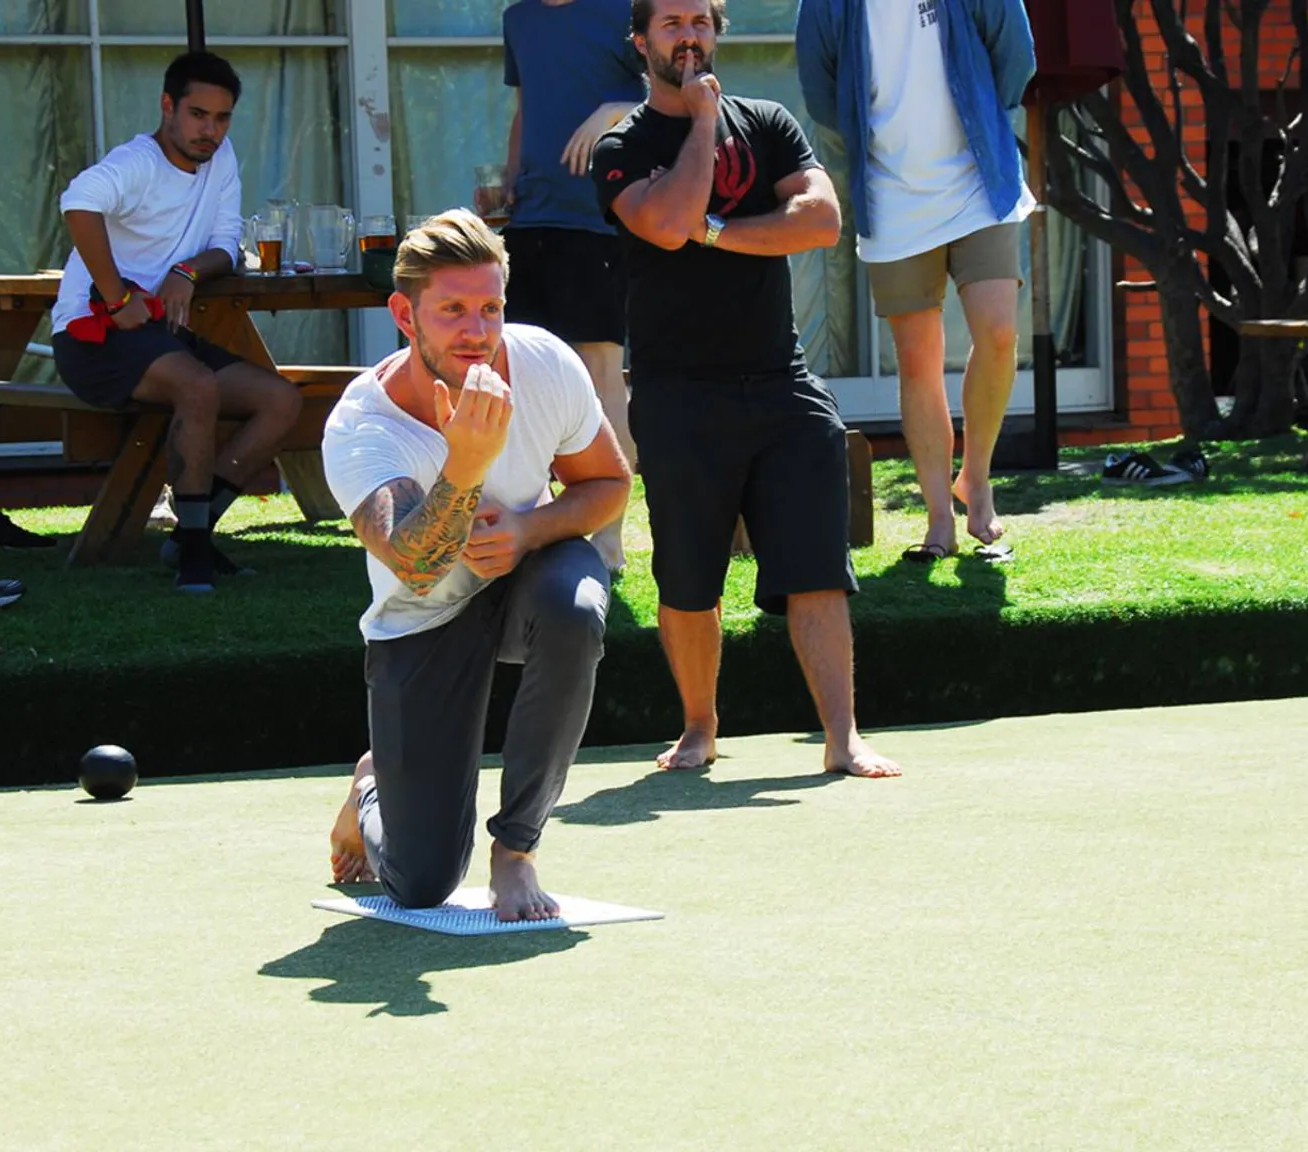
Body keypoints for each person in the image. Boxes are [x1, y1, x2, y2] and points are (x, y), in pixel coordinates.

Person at [591, 0, 900, 778]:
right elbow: (664, 223)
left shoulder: (767, 121)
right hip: (677, 392)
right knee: (689, 578)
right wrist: (701, 124)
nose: (689, 36)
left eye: (700, 21)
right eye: (672, 24)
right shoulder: (623, 145)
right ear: (642, 42)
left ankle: (843, 738)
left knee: (818, 568)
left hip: (781, 382)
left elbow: (821, 220)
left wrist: (720, 231)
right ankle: (700, 727)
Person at [322, 210, 632, 921]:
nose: (477, 331)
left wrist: (527, 529)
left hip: (527, 578)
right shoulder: (361, 426)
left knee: (575, 608)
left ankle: (516, 852)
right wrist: (465, 464)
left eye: (490, 308)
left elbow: (609, 485)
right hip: (420, 618)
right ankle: (372, 790)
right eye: (453, 310)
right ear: (405, 314)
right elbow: (416, 565)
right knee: (421, 881)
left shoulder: (546, 363)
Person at [49, 51, 303, 592]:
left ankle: (191, 532)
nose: (210, 130)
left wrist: (188, 270)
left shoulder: (223, 157)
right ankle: (193, 556)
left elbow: (225, 245)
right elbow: (77, 203)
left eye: (222, 117)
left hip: (160, 334)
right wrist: (117, 301)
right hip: (90, 336)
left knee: (283, 401)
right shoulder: (136, 162)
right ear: (167, 107)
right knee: (198, 386)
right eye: (198, 114)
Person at [796, 0, 1035, 562]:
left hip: (983, 179)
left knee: (999, 332)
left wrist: (981, 116)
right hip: (892, 194)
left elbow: (1016, 57)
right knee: (918, 360)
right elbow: (820, 91)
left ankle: (975, 481)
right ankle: (938, 522)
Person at [484, 0, 645, 574]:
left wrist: (614, 111)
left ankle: (608, 540)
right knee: (518, 371)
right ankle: (530, 527)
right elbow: (526, 108)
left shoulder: (623, 11)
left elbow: (678, 100)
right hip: (531, 221)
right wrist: (508, 180)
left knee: (601, 370)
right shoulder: (518, 18)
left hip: (600, 219)